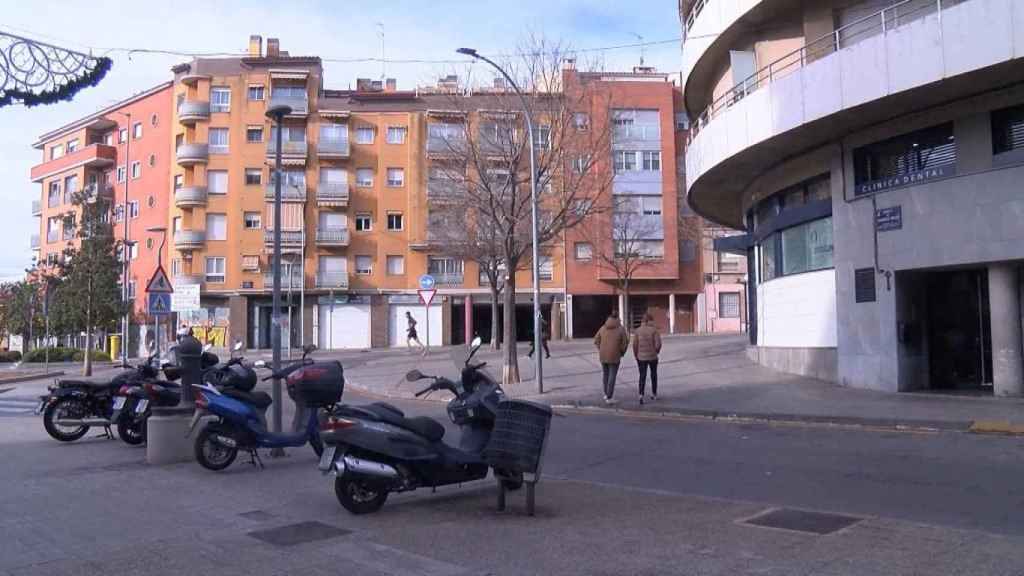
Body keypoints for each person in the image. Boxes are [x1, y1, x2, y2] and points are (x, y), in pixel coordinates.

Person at [593, 312, 629, 404]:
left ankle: (606, 394)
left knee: (605, 375)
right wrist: (621, 352)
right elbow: (625, 343)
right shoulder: (621, 329)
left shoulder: (603, 328)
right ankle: (609, 396)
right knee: (612, 376)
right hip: (615, 355)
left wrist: (600, 348)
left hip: (603, 355)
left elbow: (596, 340)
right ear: (617, 319)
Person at [632, 313, 662, 404]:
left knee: (642, 376)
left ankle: (641, 395)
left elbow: (635, 345)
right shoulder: (654, 331)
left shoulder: (637, 331)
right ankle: (654, 394)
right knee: (653, 375)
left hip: (641, 357)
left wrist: (636, 355)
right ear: (649, 320)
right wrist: (656, 351)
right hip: (652, 357)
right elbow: (658, 344)